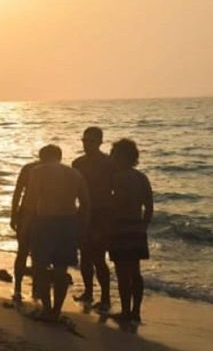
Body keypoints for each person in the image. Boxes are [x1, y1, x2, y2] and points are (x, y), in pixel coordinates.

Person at [21, 144, 90, 322]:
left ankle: (47, 307)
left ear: (42, 156)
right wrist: (82, 226)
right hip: (68, 223)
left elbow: (30, 203)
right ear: (59, 157)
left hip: (44, 221)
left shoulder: (37, 172)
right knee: (61, 269)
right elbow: (85, 203)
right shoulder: (75, 174)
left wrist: (25, 227)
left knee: (40, 267)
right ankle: (56, 310)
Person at [108, 138, 153, 325]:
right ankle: (136, 311)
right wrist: (143, 225)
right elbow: (149, 206)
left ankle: (126, 311)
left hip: (120, 227)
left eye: (114, 155)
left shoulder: (118, 178)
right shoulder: (141, 177)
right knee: (135, 271)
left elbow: (116, 204)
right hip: (136, 227)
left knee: (122, 272)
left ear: (121, 156)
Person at [72, 127, 114, 310]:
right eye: (85, 140)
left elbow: (115, 188)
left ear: (99, 142)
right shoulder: (77, 163)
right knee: (85, 256)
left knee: (99, 257)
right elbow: (73, 190)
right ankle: (88, 292)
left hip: (102, 214)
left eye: (91, 141)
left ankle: (105, 297)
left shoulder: (108, 163)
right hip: (83, 213)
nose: (87, 144)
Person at [10, 152, 45, 303]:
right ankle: (34, 289)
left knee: (23, 252)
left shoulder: (29, 168)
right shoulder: (58, 171)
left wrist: (13, 214)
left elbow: (18, 192)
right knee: (38, 254)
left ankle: (18, 288)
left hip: (28, 214)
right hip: (41, 216)